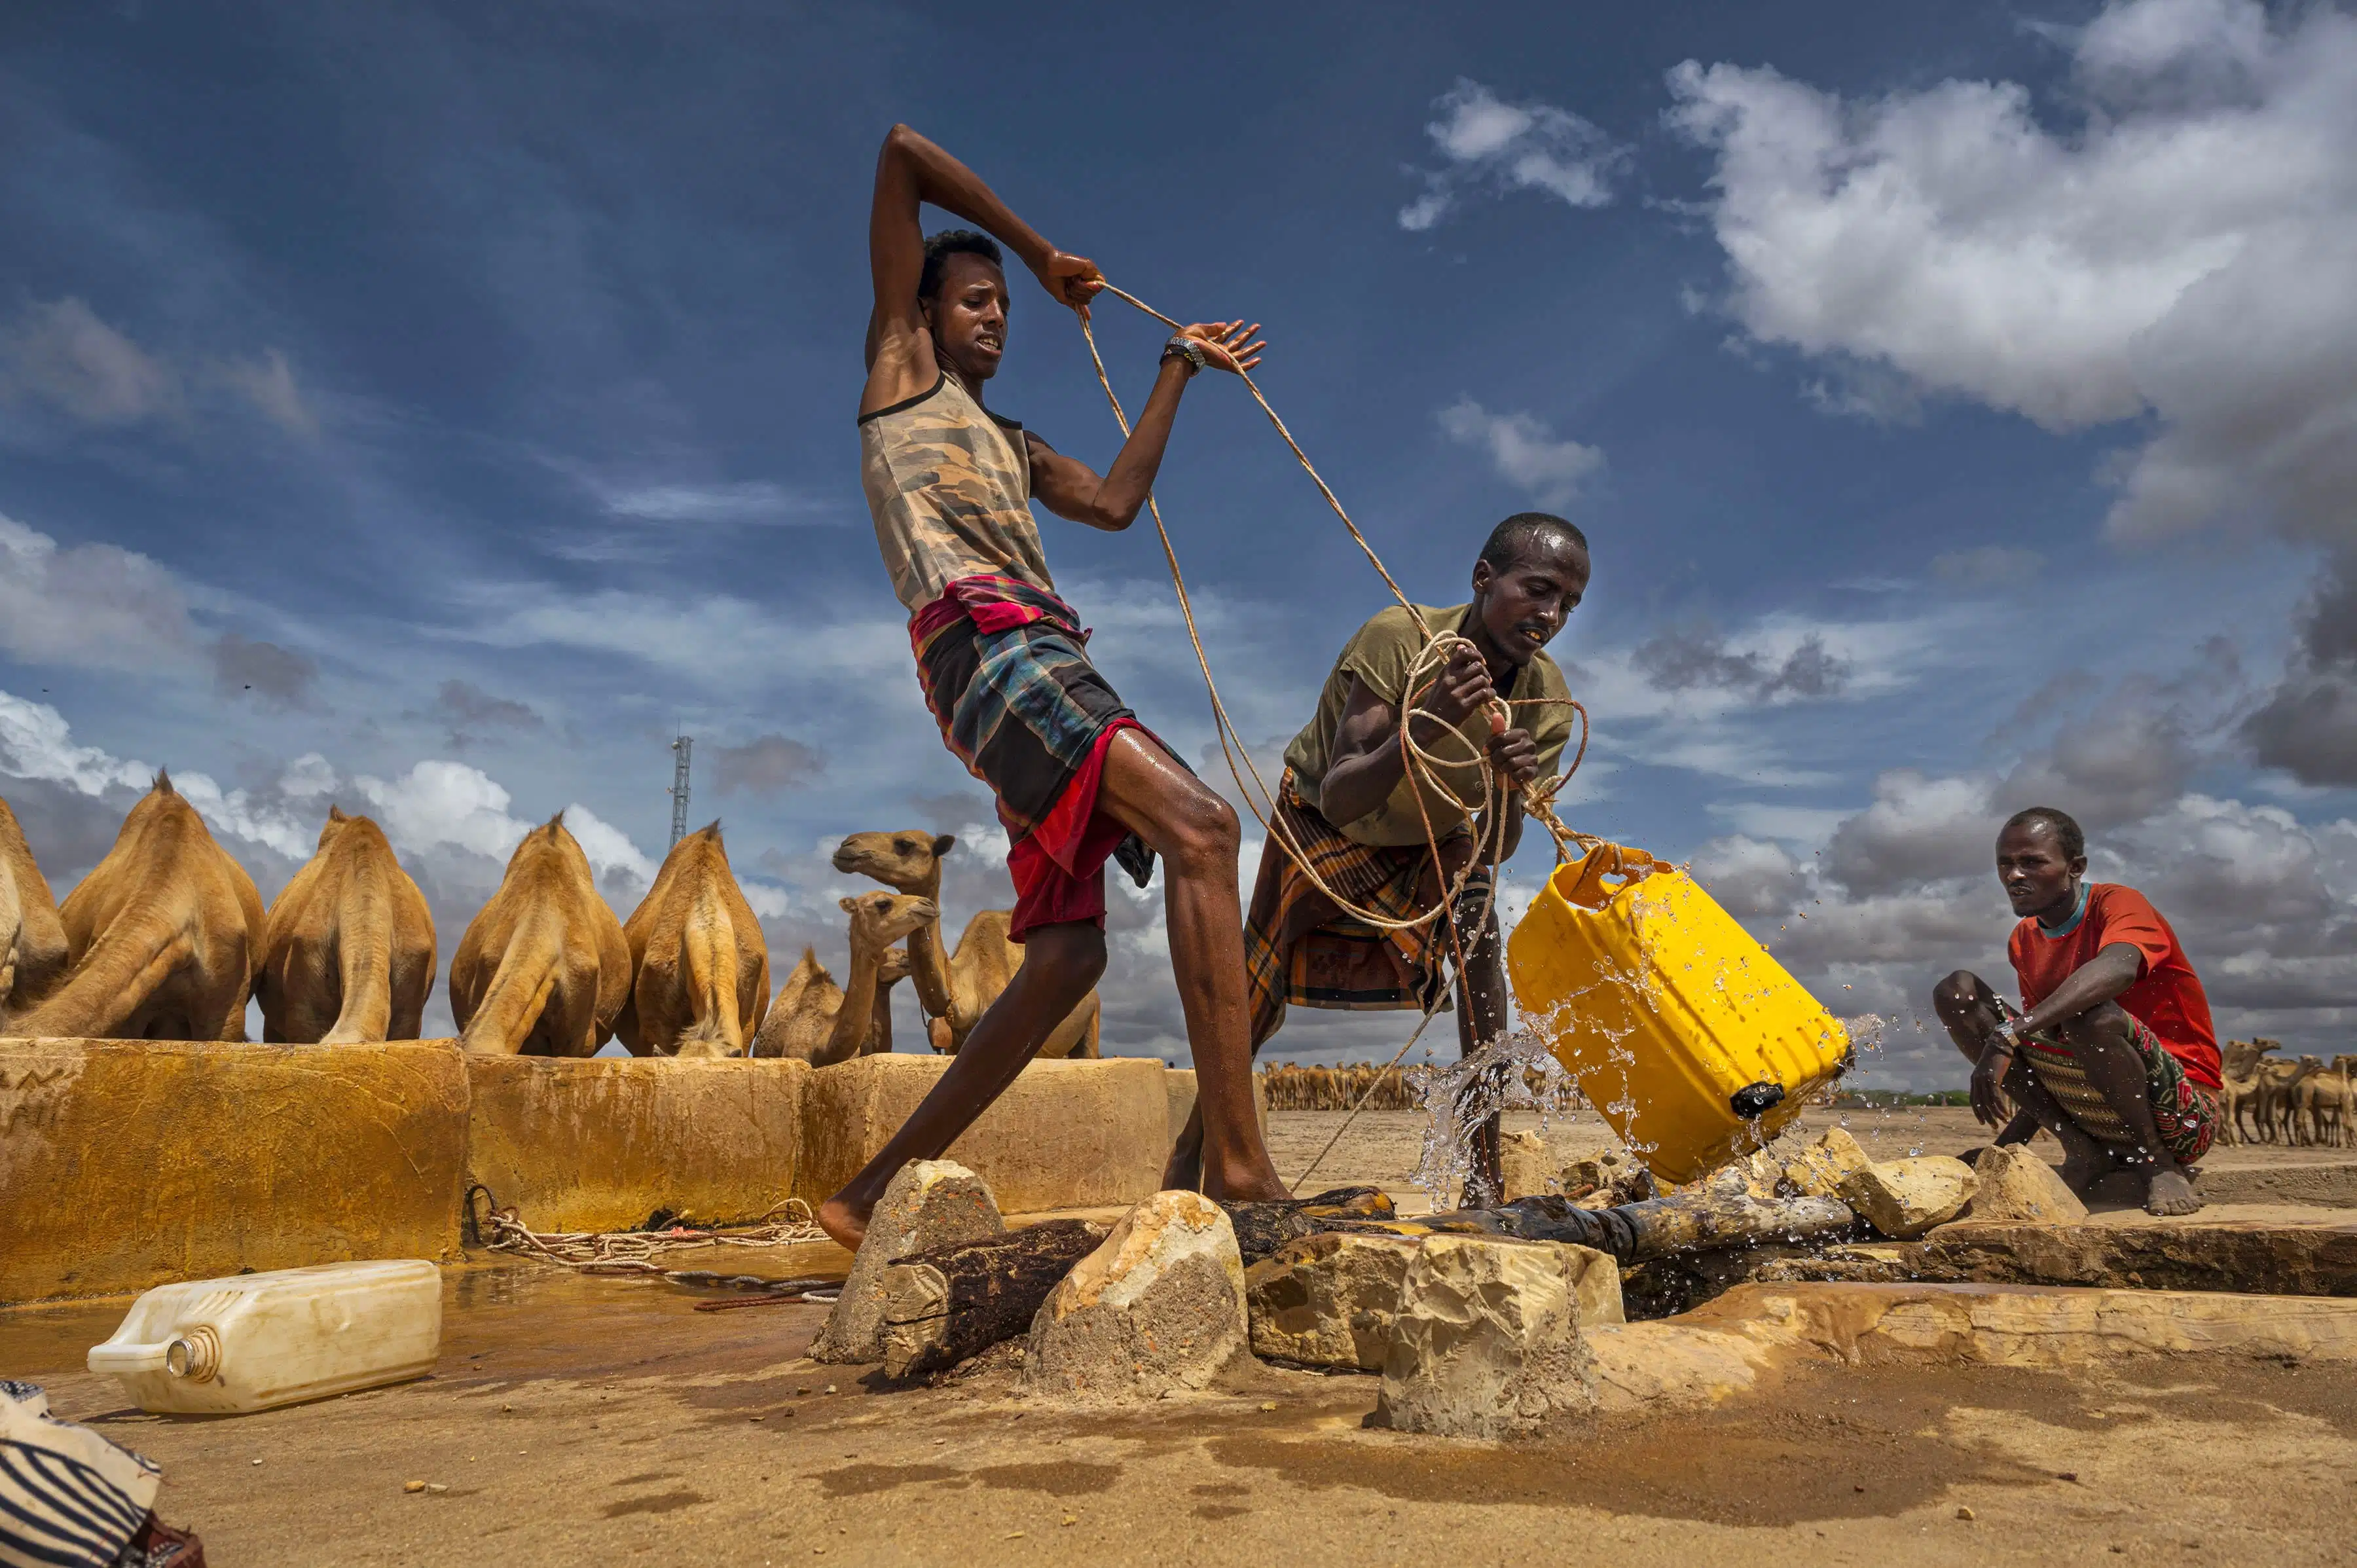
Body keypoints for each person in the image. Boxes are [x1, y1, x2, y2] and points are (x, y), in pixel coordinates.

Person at [822, 124, 1289, 1247]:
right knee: (1204, 828)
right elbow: (898, 153)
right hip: (991, 646)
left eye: (1003, 304)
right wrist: (1038, 252)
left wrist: (1174, 369)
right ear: (924, 312)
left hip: (1041, 655)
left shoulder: (1014, 443)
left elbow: (1120, 503)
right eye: (972, 298)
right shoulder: (900, 373)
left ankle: (867, 1194)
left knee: (1070, 956)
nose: (991, 315)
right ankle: (1238, 1168)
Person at [1165, 513, 1590, 1204]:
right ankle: (1194, 1152)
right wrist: (1429, 722)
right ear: (1484, 579)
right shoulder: (1401, 640)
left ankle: (1484, 1180)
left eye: (1568, 603)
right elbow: (1341, 793)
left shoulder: (1544, 700)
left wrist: (1510, 787)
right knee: (1256, 994)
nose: (1550, 614)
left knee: (1483, 955)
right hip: (1326, 821)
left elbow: (1499, 845)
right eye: (1537, 589)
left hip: (1435, 840)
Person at [1933, 807, 2221, 1216]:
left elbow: (2120, 968)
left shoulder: (2117, 903)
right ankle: (2082, 1150)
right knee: (1956, 990)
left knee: (2088, 1013)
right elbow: (2041, 1045)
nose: (2015, 876)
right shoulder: (2024, 939)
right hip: (2093, 1112)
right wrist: (2006, 1151)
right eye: (2006, 864)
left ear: (2076, 867)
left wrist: (2007, 1035)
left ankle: (2157, 1164)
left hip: (2181, 1119)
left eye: (2032, 862)